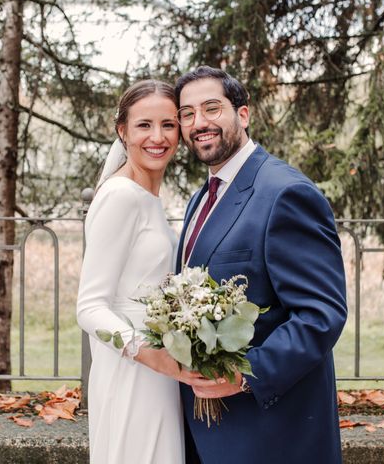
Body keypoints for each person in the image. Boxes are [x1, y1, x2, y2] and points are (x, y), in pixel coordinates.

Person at [174, 66, 348, 464]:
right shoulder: (201, 198)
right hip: (208, 433)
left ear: (244, 114)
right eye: (187, 113)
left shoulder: (286, 193)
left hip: (272, 435)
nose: (199, 122)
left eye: (212, 108)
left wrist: (245, 374)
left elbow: (321, 314)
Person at [76, 79, 205, 464]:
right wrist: (147, 353)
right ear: (123, 132)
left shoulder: (149, 198)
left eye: (168, 125)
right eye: (144, 125)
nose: (158, 137)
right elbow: (89, 307)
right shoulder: (119, 196)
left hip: (160, 370)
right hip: (132, 370)